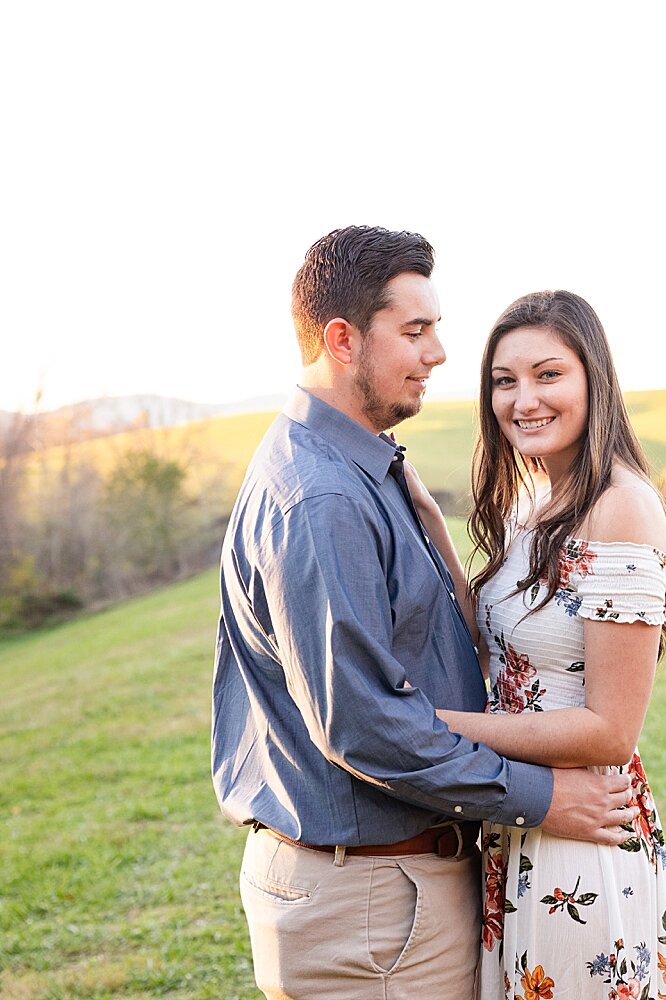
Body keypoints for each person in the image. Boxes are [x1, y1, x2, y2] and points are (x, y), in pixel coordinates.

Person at [212, 227, 640, 1000]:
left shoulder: (363, 466)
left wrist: (441, 547)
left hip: (401, 888)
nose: (440, 353)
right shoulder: (325, 496)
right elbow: (367, 725)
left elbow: (426, 640)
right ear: (343, 340)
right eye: (415, 331)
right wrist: (545, 797)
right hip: (373, 907)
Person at [403, 289, 666, 999]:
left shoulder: (620, 507)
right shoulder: (537, 498)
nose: (523, 399)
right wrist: (433, 526)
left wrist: (427, 728)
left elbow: (611, 731)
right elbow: (500, 643)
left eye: (547, 374)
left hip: (578, 835)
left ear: (595, 378)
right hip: (523, 813)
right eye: (504, 381)